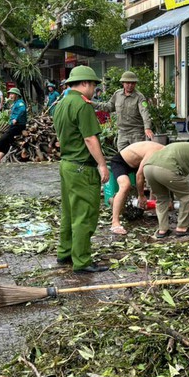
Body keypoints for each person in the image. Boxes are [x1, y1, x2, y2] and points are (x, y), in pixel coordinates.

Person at [52, 65, 110, 273]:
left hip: (66, 165)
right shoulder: (83, 106)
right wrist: (102, 165)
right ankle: (82, 260)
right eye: (93, 85)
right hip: (81, 168)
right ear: (84, 83)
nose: (94, 89)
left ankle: (65, 252)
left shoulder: (61, 103)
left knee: (68, 212)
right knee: (84, 214)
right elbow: (89, 138)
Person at [143, 135, 189, 239]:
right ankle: (182, 228)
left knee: (161, 199)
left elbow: (168, 181)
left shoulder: (178, 146)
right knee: (186, 195)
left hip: (148, 168)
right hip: (166, 170)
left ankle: (162, 230)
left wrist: (171, 197)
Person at [108, 140, 165, 235]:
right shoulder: (154, 152)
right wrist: (141, 195)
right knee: (125, 185)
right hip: (121, 162)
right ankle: (115, 222)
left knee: (155, 177)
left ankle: (153, 209)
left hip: (136, 163)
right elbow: (140, 175)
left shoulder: (166, 153)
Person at [98, 71, 154, 150]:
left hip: (136, 133)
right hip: (122, 133)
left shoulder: (139, 97)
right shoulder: (117, 94)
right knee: (122, 157)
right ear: (123, 83)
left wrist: (147, 128)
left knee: (136, 156)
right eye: (128, 83)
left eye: (133, 83)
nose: (130, 85)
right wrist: (93, 104)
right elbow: (108, 107)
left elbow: (144, 112)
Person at [0, 88, 27, 163]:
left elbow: (22, 110)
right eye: (10, 94)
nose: (10, 96)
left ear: (17, 95)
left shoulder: (20, 103)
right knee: (6, 141)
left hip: (18, 125)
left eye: (12, 94)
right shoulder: (15, 103)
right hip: (13, 125)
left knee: (3, 138)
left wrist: (16, 119)